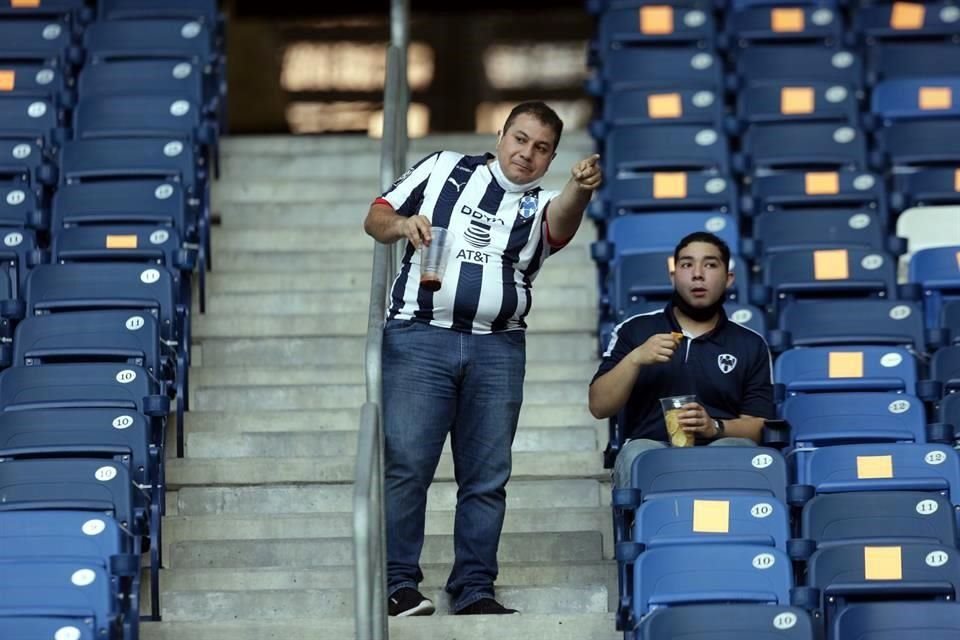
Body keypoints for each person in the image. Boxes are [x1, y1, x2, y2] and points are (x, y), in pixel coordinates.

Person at [363, 101, 602, 616]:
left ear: (551, 158)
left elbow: (563, 219)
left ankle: (473, 587)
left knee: (487, 477)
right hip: (419, 336)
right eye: (520, 139)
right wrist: (403, 226)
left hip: (499, 347)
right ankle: (396, 583)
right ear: (500, 135)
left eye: (542, 148)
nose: (527, 153)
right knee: (407, 466)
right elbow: (376, 215)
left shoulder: (542, 203)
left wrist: (580, 188)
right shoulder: (443, 166)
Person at [588, 232, 774, 489]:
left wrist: (714, 427)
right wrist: (635, 359)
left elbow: (759, 426)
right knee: (638, 455)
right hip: (651, 450)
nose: (698, 274)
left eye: (710, 265)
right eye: (687, 265)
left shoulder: (751, 344)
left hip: (720, 449)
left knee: (737, 449)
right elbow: (599, 407)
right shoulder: (635, 330)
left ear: (729, 278)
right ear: (673, 276)